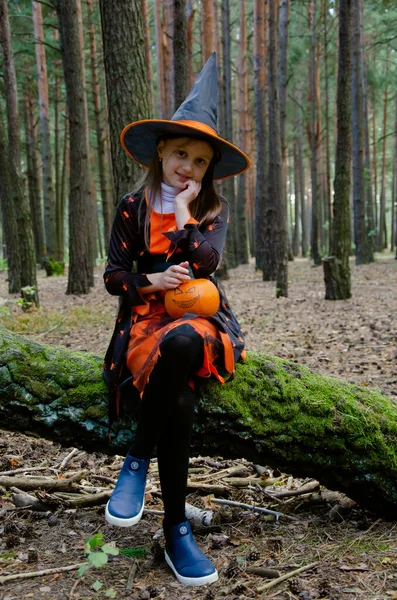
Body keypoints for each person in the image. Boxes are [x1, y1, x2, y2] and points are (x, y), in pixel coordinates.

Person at [103, 53, 250, 587]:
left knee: (187, 339)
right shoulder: (131, 207)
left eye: (201, 161)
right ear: (162, 150)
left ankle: (137, 457)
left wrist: (187, 212)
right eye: (181, 154)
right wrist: (149, 283)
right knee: (179, 398)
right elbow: (114, 274)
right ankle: (175, 530)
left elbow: (207, 263)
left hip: (199, 319)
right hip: (145, 320)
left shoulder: (211, 211)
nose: (188, 167)